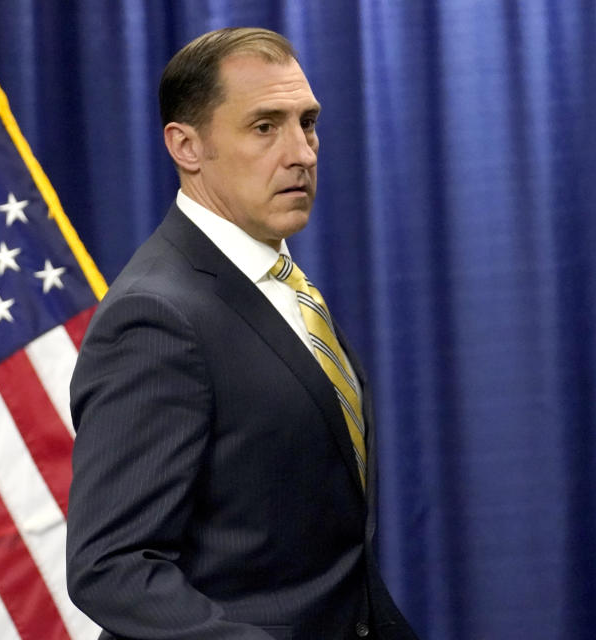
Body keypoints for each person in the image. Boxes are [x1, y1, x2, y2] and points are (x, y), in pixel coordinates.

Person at [66, 27, 418, 640]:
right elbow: (112, 566)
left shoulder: (278, 280)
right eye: (265, 127)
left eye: (306, 122)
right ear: (187, 146)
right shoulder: (155, 315)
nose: (302, 152)